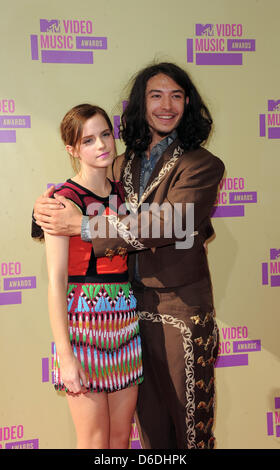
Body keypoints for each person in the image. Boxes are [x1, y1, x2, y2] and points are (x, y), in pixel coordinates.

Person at [32, 62, 225, 449]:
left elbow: (169, 223)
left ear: (188, 104)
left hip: (181, 317)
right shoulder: (124, 166)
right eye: (156, 95)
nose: (166, 105)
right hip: (129, 319)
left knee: (191, 434)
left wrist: (83, 227)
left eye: (176, 96)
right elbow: (88, 194)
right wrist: (45, 209)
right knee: (149, 434)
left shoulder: (203, 165)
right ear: (140, 105)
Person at [39, 103, 143, 449]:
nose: (101, 145)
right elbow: (56, 282)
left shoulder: (125, 195)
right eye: (87, 141)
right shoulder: (61, 201)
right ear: (72, 149)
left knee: (120, 438)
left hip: (125, 325)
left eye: (105, 135)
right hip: (84, 326)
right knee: (94, 441)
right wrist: (65, 357)